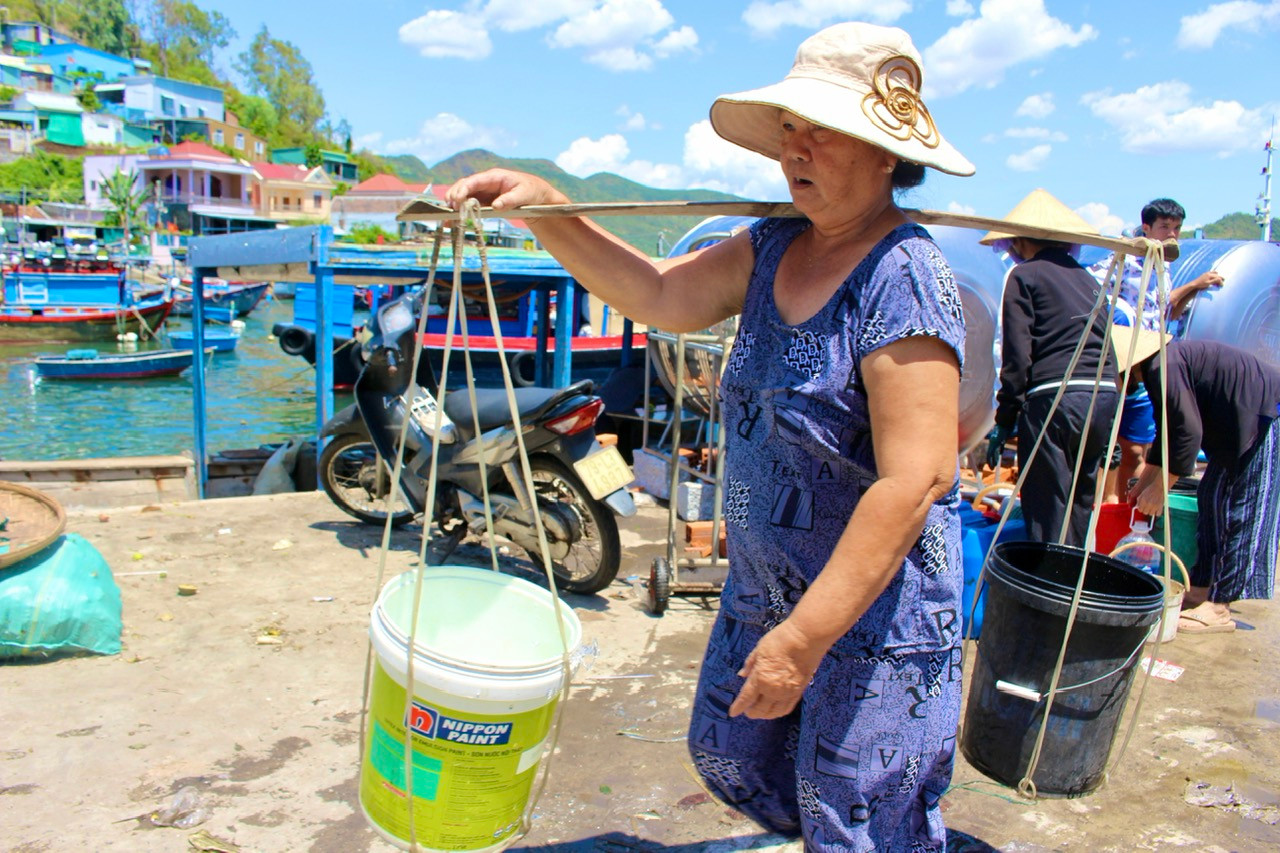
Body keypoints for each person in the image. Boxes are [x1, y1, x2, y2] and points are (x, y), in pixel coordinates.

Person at [447, 22, 972, 850]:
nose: (795, 149)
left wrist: (802, 642)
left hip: (870, 618)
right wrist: (549, 211)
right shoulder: (771, 248)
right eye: (789, 129)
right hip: (766, 590)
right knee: (731, 751)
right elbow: (659, 293)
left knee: (858, 815)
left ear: (884, 153)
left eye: (822, 131)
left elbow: (917, 480)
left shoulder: (904, 274)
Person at [1114, 326, 1280, 634]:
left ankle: (1220, 606)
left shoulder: (1166, 366)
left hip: (1263, 418)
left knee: (1242, 511)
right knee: (1211, 502)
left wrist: (1161, 489)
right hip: (1233, 429)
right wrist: (1143, 484)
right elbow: (1167, 433)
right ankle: (1204, 587)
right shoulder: (1157, 369)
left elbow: (1188, 434)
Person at [981, 190, 1118, 546]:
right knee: (1079, 500)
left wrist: (1005, 418)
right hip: (1101, 397)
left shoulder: (1025, 275)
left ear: (1021, 239)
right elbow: (1108, 348)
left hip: (1055, 399)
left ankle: (1048, 592)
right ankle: (1074, 586)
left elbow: (1017, 356)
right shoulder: (1090, 281)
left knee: (1048, 504)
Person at [1094, 198, 1225, 502]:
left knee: (1138, 448)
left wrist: (1193, 288)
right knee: (1107, 446)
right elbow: (1091, 294)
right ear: (1146, 228)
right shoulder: (1123, 260)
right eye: (1165, 227)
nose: (1172, 234)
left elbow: (1165, 311)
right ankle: (1104, 507)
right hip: (1120, 367)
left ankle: (1128, 510)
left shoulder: (1163, 269)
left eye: (1177, 228)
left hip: (1148, 369)